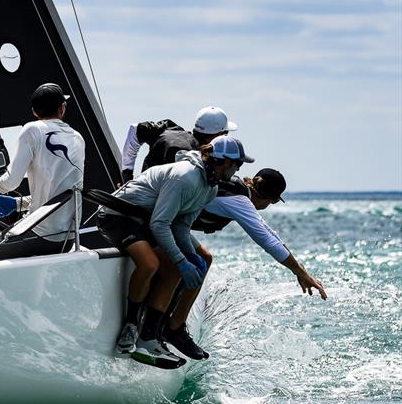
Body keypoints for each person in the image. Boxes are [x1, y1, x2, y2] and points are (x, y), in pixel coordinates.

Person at [98, 135, 253, 368]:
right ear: (223, 161)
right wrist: (182, 260)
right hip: (117, 215)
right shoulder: (185, 177)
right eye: (237, 164)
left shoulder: (209, 187)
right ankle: (130, 327)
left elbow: (181, 226)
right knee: (151, 264)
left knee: (174, 271)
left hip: (142, 220)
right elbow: (160, 224)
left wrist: (191, 257)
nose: (238, 169)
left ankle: (149, 339)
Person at [160, 168, 328, 360]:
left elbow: (270, 233)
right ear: (272, 200)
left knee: (205, 258)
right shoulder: (239, 201)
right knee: (200, 261)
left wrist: (301, 272)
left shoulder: (238, 189)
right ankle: (172, 327)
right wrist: (302, 273)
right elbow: (267, 240)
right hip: (163, 220)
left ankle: (173, 320)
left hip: (170, 219)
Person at [0, 83, 85, 259]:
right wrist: (17, 204)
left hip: (41, 235)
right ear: (62, 108)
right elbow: (59, 191)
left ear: (35, 112)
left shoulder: (33, 129)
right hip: (69, 238)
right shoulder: (78, 137)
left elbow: (11, 182)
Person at [120, 106, 237, 181]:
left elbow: (135, 129)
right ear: (217, 135)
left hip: (141, 191)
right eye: (225, 134)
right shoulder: (196, 160)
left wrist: (127, 174)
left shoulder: (169, 129)